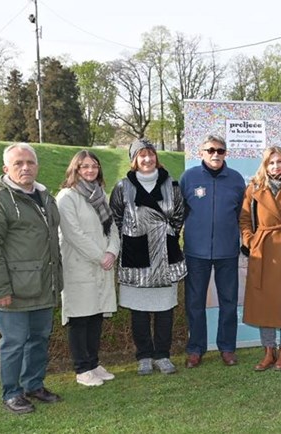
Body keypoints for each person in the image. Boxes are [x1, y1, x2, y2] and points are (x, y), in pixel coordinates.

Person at [0, 143, 63, 414]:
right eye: (18, 163)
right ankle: (11, 393)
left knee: (39, 338)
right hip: (13, 289)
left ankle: (33, 385)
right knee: (13, 343)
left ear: (37, 165)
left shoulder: (45, 195)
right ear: (6, 169)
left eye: (30, 162)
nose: (25, 167)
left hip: (42, 285)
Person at [110, 138, 187, 375]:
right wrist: (134, 235)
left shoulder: (171, 185)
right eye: (141, 155)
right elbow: (116, 217)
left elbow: (179, 215)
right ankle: (144, 355)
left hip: (164, 252)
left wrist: (164, 232)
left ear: (156, 157)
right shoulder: (123, 186)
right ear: (134, 159)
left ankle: (163, 354)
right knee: (139, 309)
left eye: (150, 154)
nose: (147, 159)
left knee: (165, 308)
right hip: (136, 253)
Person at [180, 135, 246, 368]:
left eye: (220, 150)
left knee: (229, 302)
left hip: (227, 251)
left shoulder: (237, 180)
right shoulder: (189, 178)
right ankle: (196, 349)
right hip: (196, 252)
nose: (215, 154)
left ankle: (227, 348)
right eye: (210, 150)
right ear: (202, 152)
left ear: (226, 153)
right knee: (194, 302)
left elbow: (242, 215)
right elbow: (180, 214)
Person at [56, 150, 120, 387]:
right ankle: (82, 368)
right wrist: (100, 256)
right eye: (84, 166)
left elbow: (112, 228)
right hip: (79, 266)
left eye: (94, 166)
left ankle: (93, 363)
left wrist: (112, 251)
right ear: (75, 169)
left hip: (102, 265)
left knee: (95, 316)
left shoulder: (100, 194)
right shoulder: (67, 197)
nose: (90, 170)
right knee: (79, 318)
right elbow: (74, 234)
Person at [239, 146, 281, 371]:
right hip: (263, 251)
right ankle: (269, 351)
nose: (276, 166)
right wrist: (250, 240)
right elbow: (245, 218)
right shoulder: (254, 188)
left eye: (279, 162)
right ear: (265, 165)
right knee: (264, 303)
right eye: (271, 162)